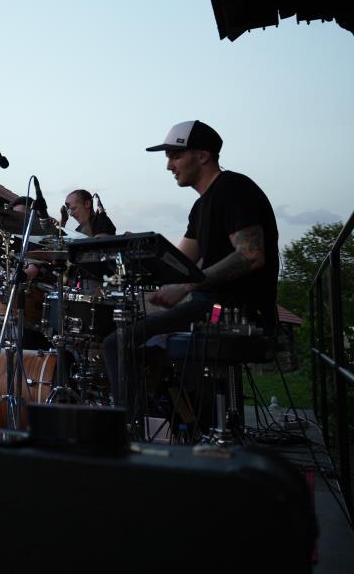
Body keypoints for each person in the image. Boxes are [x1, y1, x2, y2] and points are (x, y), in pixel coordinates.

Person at [102, 120, 278, 423]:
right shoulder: (201, 207)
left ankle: (131, 433)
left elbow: (250, 256)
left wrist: (186, 286)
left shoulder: (233, 188)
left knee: (116, 343)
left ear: (203, 155)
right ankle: (177, 422)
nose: (169, 165)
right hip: (208, 305)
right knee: (137, 340)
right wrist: (133, 255)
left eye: (175, 156)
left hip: (233, 309)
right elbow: (179, 263)